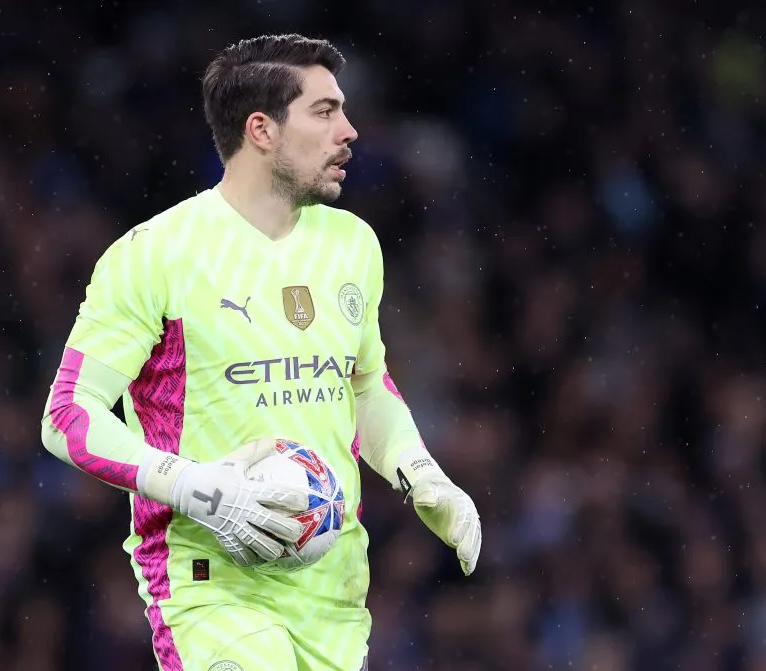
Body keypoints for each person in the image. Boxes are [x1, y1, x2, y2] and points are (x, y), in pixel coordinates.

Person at [40, 33, 482, 671]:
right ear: (261, 130)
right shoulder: (155, 253)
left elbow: (363, 385)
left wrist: (423, 475)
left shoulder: (353, 243)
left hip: (333, 588)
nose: (350, 131)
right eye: (325, 112)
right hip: (213, 582)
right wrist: (197, 487)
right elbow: (68, 417)